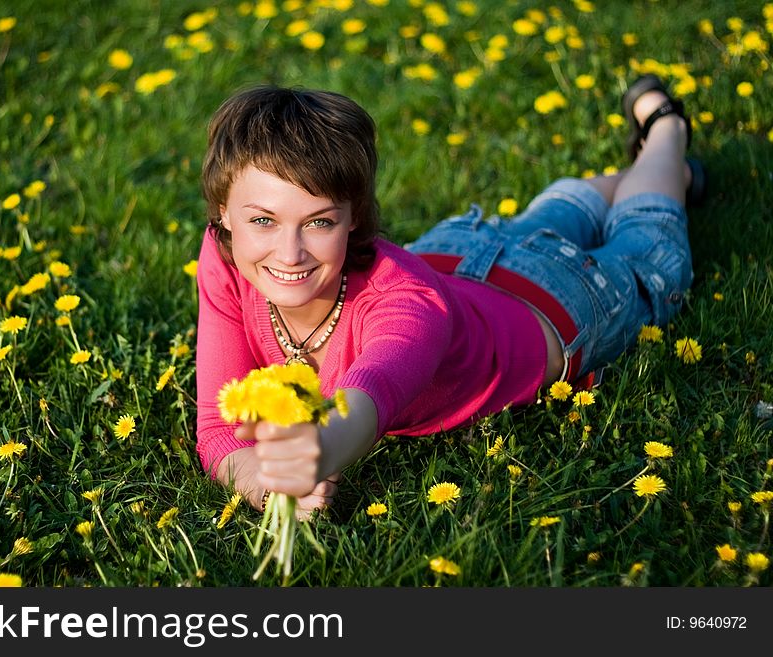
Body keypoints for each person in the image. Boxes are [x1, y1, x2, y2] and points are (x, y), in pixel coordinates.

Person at [195, 76, 703, 516]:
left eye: (319, 221)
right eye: (263, 219)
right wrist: (262, 482)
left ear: (354, 217)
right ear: (224, 212)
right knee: (544, 219)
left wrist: (324, 448)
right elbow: (218, 428)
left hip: (558, 297)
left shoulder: (406, 305)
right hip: (452, 252)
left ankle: (666, 131)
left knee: (647, 241)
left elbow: (374, 390)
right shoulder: (224, 255)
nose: (289, 253)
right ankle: (656, 174)